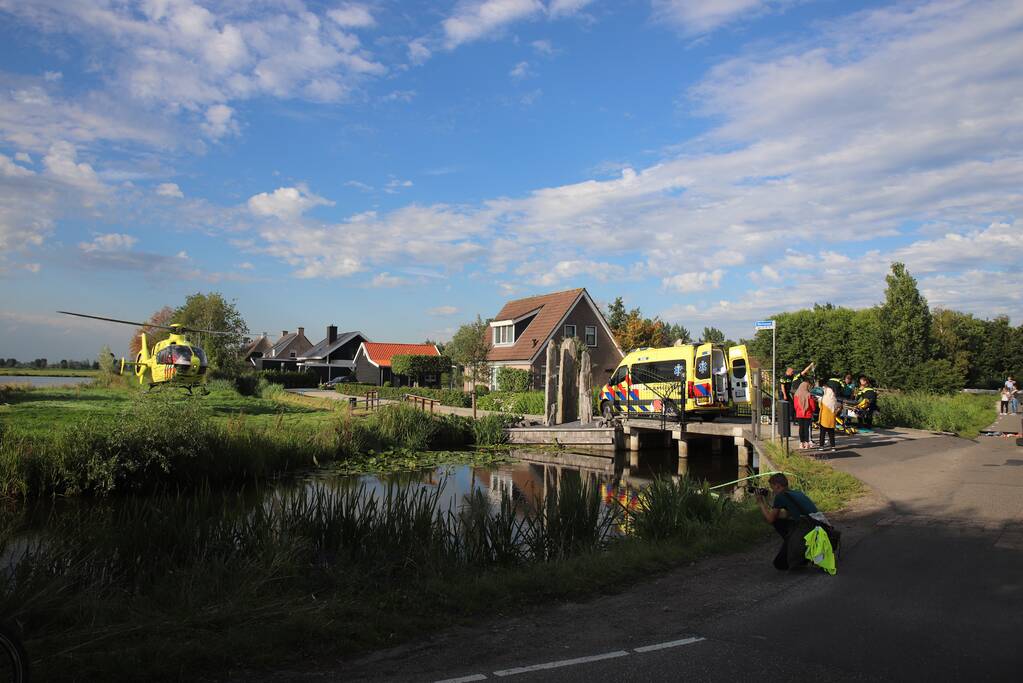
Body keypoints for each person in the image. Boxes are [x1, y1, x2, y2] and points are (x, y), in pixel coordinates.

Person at [756, 473, 820, 570]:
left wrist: (760, 503)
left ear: (777, 485)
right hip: (815, 526)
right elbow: (784, 515)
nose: (772, 491)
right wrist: (768, 502)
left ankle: (796, 549)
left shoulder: (781, 496)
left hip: (805, 529)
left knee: (779, 564)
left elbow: (770, 519)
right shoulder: (796, 493)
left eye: (772, 488)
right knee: (777, 520)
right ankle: (796, 547)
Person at [793, 381, 817, 450]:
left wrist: (799, 410)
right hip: (808, 414)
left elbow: (795, 406)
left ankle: (801, 443)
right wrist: (811, 411)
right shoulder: (809, 395)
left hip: (799, 414)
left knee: (801, 428)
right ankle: (807, 444)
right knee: (806, 429)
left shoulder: (796, 395)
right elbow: (812, 406)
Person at [818, 378, 837, 451]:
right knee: (831, 433)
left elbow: (820, 405)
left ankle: (821, 446)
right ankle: (833, 447)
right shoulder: (832, 392)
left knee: (822, 433)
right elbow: (835, 403)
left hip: (824, 415)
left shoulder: (822, 392)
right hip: (831, 415)